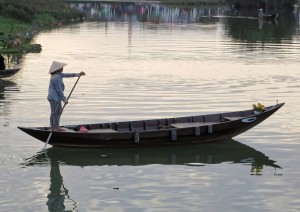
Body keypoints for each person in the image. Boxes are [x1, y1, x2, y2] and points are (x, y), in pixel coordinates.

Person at [47, 61, 85, 131]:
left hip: (56, 97)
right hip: (54, 97)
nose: (62, 68)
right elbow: (59, 90)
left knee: (59, 111)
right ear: (58, 69)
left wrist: (78, 74)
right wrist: (64, 99)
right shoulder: (55, 77)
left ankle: (56, 126)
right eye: (61, 67)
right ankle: (53, 127)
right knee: (55, 112)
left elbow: (67, 75)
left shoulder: (59, 74)